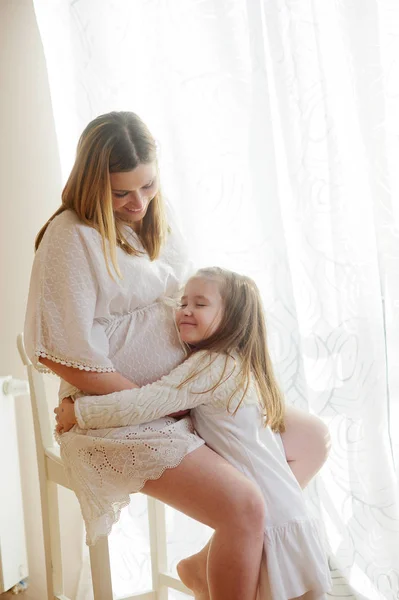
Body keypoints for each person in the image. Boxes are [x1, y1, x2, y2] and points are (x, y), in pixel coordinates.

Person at [25, 111, 330, 600]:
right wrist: (165, 401)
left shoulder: (154, 215)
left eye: (147, 186)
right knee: (244, 505)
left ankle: (207, 567)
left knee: (311, 439)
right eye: (122, 192)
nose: (139, 203)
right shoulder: (70, 236)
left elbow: (194, 295)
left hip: (189, 394)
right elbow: (65, 354)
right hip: (120, 416)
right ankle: (230, 566)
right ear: (91, 183)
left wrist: (208, 377)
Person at [56, 267, 332, 599]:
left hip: (276, 521)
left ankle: (200, 569)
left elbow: (145, 402)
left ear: (231, 319)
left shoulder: (210, 368)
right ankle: (199, 568)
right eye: (183, 301)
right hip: (290, 511)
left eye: (200, 304)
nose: (185, 310)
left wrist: (80, 412)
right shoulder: (240, 363)